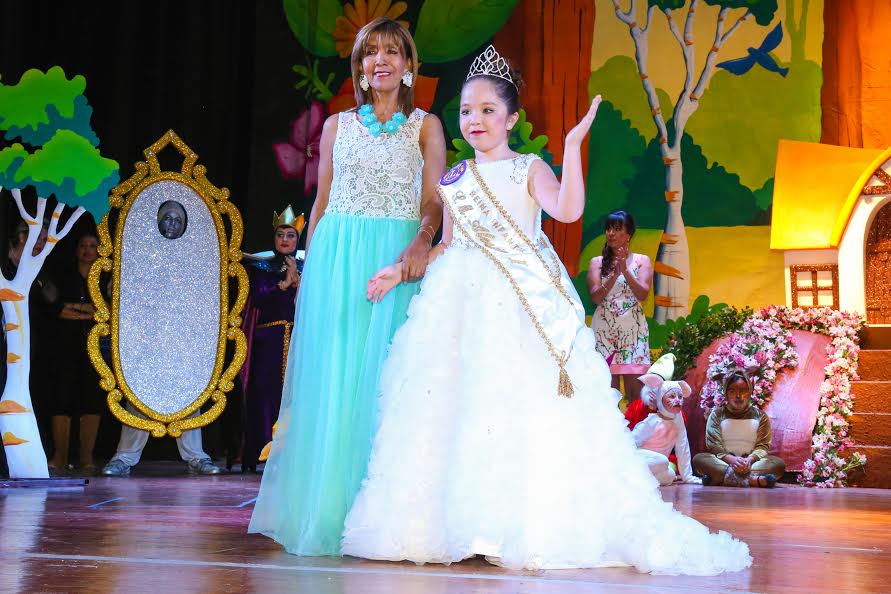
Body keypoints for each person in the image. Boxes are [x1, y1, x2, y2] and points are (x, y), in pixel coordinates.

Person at [340, 46, 751, 574]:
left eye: (489, 110)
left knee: (522, 411)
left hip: (522, 311)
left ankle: (513, 526)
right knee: (460, 413)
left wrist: (574, 146)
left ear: (511, 118)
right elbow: (448, 244)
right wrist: (399, 270)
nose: (475, 120)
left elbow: (568, 209)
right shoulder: (455, 181)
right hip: (460, 309)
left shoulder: (528, 169)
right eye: (467, 110)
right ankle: (463, 525)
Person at [248, 17, 446, 555]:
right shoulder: (336, 126)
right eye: (369, 53)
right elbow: (321, 200)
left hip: (395, 255)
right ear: (359, 67)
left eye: (391, 52)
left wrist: (420, 244)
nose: (379, 61)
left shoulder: (425, 126)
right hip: (338, 255)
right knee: (336, 381)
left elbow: (435, 198)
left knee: (386, 379)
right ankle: (330, 511)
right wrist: (311, 268)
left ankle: (385, 516)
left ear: (408, 65)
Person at [239, 207, 302, 472]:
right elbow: (258, 297)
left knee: (294, 396)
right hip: (269, 341)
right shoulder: (262, 266)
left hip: (298, 339)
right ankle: (264, 451)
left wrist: (300, 284)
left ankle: (291, 455)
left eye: (290, 235)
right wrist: (283, 284)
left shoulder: (306, 266)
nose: (285, 240)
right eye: (280, 235)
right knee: (265, 396)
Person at [49, 232, 106, 474]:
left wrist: (76, 307)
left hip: (96, 348)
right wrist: (88, 310)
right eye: (83, 245)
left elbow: (105, 311)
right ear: (76, 250)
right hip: (65, 346)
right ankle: (60, 456)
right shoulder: (64, 276)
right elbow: (57, 309)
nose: (87, 250)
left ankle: (86, 457)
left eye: (92, 246)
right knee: (62, 399)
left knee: (92, 400)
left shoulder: (105, 278)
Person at [587, 211, 652, 402]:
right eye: (608, 229)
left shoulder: (642, 260)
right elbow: (595, 298)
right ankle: (611, 432)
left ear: (629, 234)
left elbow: (643, 294)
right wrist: (614, 275)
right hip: (605, 333)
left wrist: (625, 271)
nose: (611, 233)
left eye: (617, 229)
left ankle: (635, 431)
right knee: (608, 395)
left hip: (632, 334)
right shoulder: (597, 263)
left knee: (636, 396)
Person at [693, 368, 784, 488]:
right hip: (725, 462)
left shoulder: (761, 416)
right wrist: (733, 460)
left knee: (778, 464)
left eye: (743, 390)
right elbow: (714, 445)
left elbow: (762, 446)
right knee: (699, 459)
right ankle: (751, 480)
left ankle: (721, 478)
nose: (738, 396)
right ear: (726, 393)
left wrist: (749, 460)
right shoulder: (716, 415)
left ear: (750, 392)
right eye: (732, 391)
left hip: (751, 463)